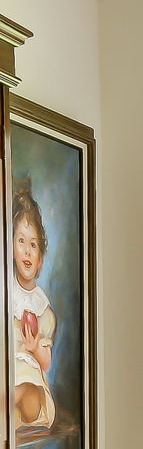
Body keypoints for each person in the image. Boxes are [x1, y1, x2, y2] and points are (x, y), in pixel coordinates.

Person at [9, 181, 56, 432]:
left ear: (39, 260)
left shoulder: (42, 309)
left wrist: (35, 346)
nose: (27, 250)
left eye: (34, 244)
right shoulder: (7, 296)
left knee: (26, 393)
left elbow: (46, 363)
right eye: (21, 241)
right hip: (7, 377)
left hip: (31, 389)